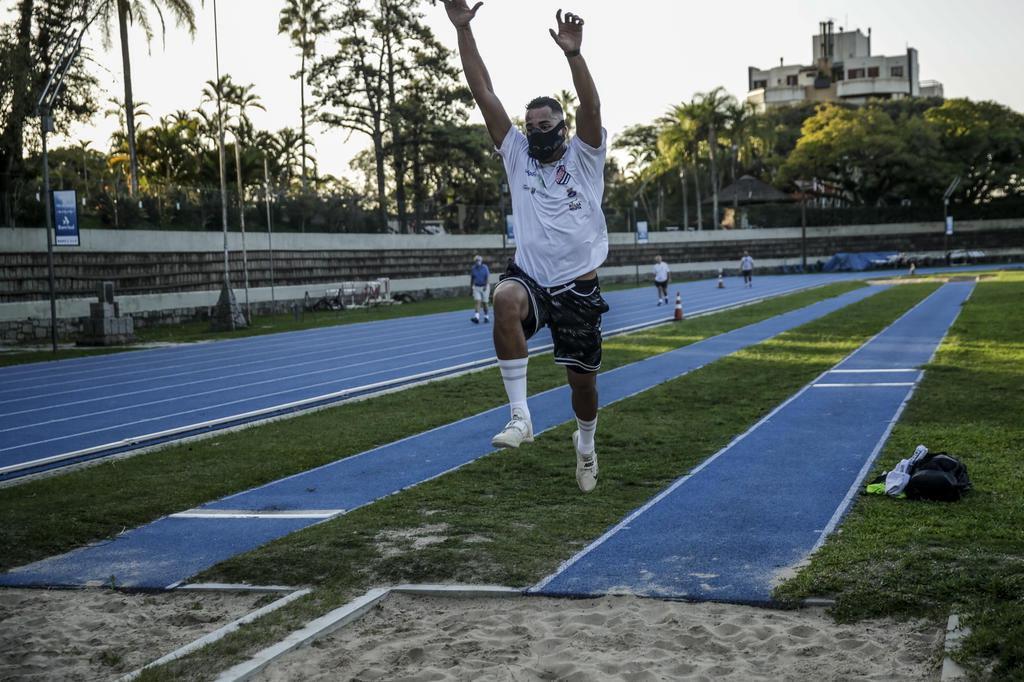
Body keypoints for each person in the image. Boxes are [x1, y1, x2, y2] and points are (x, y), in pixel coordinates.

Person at [443, 0, 607, 493]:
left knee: (583, 386)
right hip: (532, 277)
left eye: (544, 125)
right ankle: (520, 415)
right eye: (529, 125)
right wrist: (463, 29)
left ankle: (585, 445)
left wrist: (575, 57)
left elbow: (591, 108)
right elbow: (482, 91)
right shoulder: (516, 155)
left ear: (561, 127)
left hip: (578, 287)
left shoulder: (585, 156)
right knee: (503, 300)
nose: (534, 132)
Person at [469, 255, 491, 323]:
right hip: (476, 287)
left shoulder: (485, 268)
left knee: (485, 303)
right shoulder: (473, 268)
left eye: (478, 260)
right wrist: (471, 288)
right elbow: (472, 279)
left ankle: (486, 316)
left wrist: (485, 285)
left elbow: (487, 277)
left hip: (485, 287)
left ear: (481, 261)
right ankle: (477, 317)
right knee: (477, 301)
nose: (477, 261)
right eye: (476, 260)